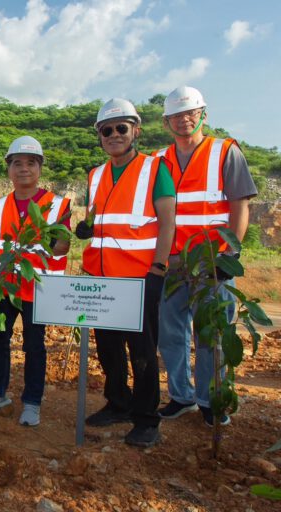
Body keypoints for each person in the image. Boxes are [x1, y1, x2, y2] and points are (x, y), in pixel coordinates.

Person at [75, 98, 175, 447]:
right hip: (102, 278)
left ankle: (147, 419)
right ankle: (118, 403)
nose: (114, 134)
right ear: (100, 136)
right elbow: (100, 218)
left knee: (143, 352)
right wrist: (86, 228)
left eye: (121, 128)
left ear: (136, 131)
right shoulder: (96, 174)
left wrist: (158, 270)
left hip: (138, 278)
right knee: (109, 348)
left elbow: (167, 223)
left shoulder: (155, 169)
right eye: (107, 130)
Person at [155, 86, 258, 427]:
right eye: (176, 116)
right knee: (171, 333)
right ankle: (181, 396)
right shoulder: (159, 160)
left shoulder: (225, 151)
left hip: (212, 262)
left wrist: (229, 255)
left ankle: (210, 400)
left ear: (203, 114)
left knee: (212, 333)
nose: (184, 120)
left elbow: (239, 205)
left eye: (190, 113)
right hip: (173, 262)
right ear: (167, 121)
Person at [0, 136, 71, 427]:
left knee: (34, 346)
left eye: (30, 163)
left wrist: (43, 236)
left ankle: (32, 402)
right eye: (17, 164)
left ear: (39, 168)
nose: (23, 169)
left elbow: (62, 246)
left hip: (39, 287)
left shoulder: (56, 204)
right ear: (9, 169)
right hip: (5, 285)